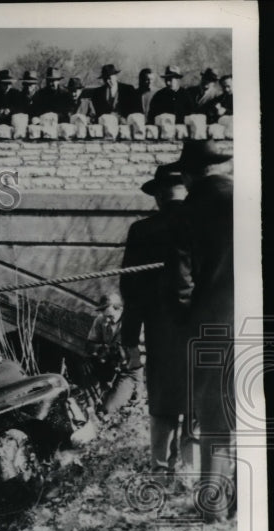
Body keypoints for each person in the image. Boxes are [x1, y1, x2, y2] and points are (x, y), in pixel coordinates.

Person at [166, 139, 234, 521]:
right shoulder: (244, 196)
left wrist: (184, 325)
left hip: (213, 325)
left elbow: (181, 281)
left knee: (215, 419)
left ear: (190, 174)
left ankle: (215, 507)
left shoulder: (187, 210)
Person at [120, 164, 193, 477]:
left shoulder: (143, 231)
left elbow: (131, 292)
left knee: (162, 403)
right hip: (200, 326)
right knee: (196, 403)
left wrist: (129, 339)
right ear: (185, 190)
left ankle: (160, 469)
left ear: (160, 194)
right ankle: (192, 472)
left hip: (160, 330)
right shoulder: (205, 225)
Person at [86, 292, 134, 414]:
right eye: (104, 316)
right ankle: (97, 398)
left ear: (120, 310)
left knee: (107, 409)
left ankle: (130, 394)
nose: (106, 320)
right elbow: (89, 345)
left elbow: (134, 358)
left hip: (127, 371)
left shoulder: (132, 324)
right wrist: (101, 349)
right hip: (108, 365)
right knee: (89, 399)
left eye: (110, 316)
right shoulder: (101, 320)